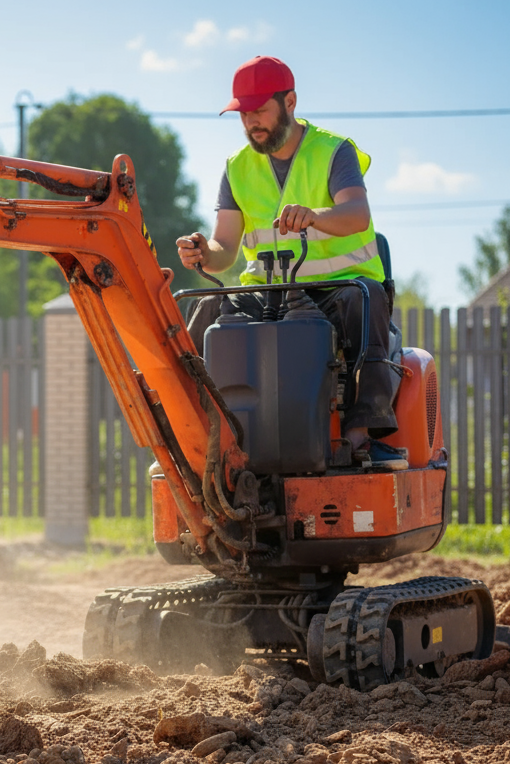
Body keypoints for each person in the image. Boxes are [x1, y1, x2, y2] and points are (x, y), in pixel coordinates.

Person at [176, 55, 405, 470]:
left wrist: (316, 215)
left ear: (291, 102)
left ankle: (361, 436)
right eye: (243, 114)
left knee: (366, 298)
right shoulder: (236, 167)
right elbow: (224, 247)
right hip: (268, 294)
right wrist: (203, 251)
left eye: (260, 111)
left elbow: (357, 215)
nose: (251, 123)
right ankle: (186, 437)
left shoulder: (334, 152)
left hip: (337, 291)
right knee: (207, 308)